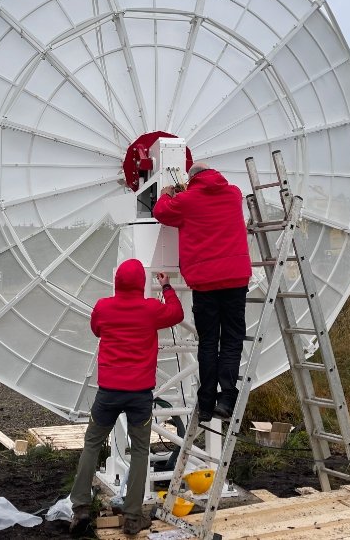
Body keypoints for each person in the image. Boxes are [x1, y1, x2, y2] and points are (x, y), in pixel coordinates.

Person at [69, 259, 184, 537]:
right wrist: (167, 287)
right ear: (141, 283)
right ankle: (133, 517)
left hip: (108, 393)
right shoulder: (150, 309)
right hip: (139, 396)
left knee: (92, 445)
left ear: (116, 282)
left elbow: (97, 329)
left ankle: (81, 508)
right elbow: (176, 314)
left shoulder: (104, 307)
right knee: (141, 452)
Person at [152, 162, 251, 423]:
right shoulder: (233, 193)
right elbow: (213, 194)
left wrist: (168, 193)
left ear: (192, 178)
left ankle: (206, 404)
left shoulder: (185, 201)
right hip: (235, 278)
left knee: (208, 342)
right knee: (232, 339)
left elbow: (161, 212)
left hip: (205, 283)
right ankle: (227, 398)